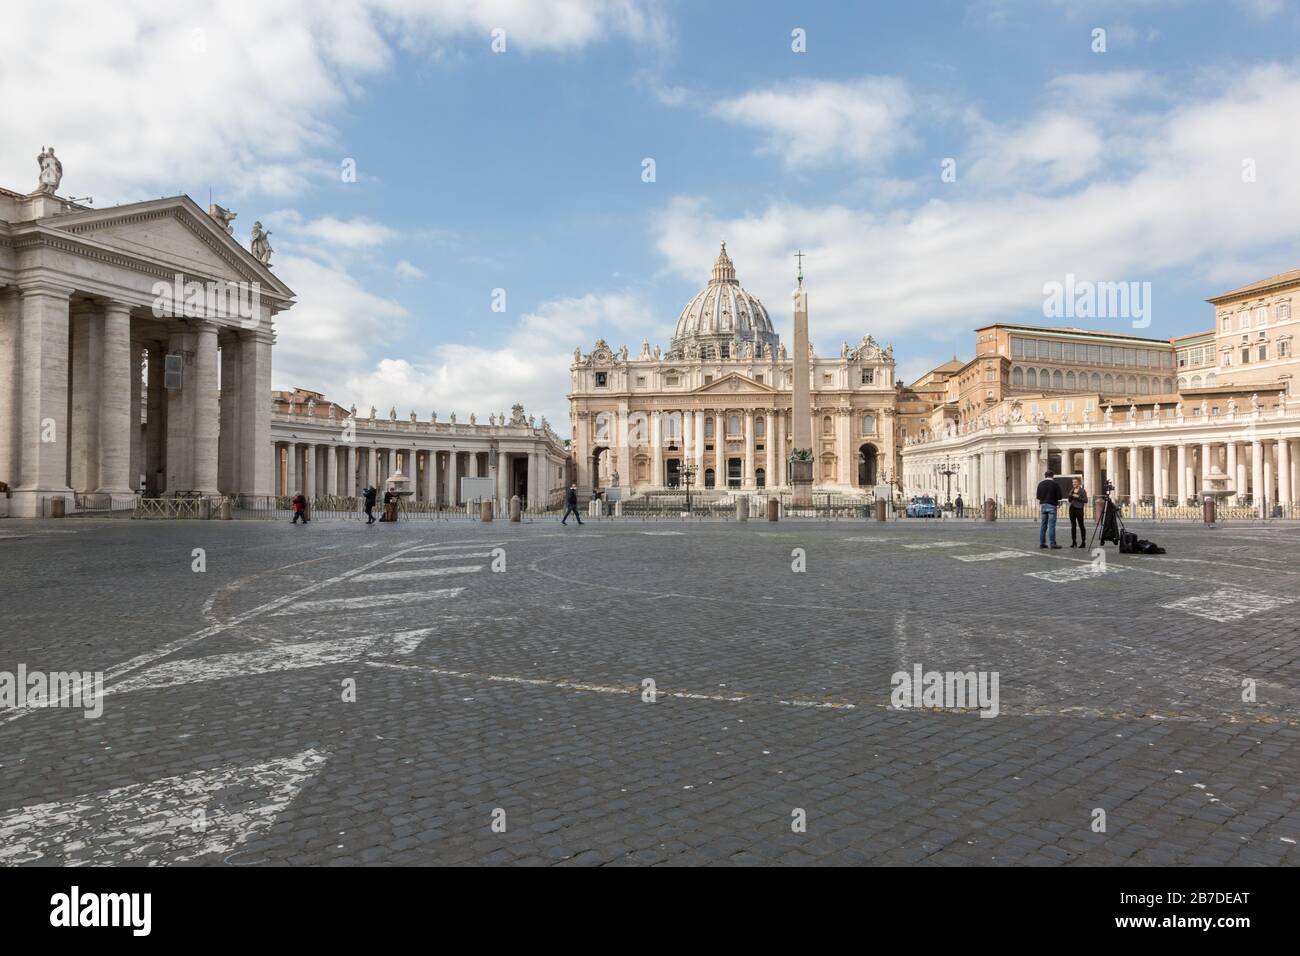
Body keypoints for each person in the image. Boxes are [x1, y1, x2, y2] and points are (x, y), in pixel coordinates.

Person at [1036, 469, 1062, 549]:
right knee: (1051, 525)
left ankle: (1042, 543)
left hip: (1043, 505)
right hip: (1052, 505)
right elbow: (1060, 496)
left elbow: (1038, 496)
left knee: (1043, 525)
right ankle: (1052, 543)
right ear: (1052, 476)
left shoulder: (1040, 484)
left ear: (1045, 476)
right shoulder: (1055, 484)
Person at [1067, 477, 1089, 548]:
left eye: (1075, 482)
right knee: (1073, 526)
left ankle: (1083, 542)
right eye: (1073, 482)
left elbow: (1085, 500)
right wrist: (1070, 496)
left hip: (1079, 509)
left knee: (1081, 525)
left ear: (1079, 483)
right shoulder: (1072, 490)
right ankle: (1074, 541)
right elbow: (1070, 500)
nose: (1074, 483)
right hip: (1072, 509)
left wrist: (1077, 497)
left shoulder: (1082, 490)